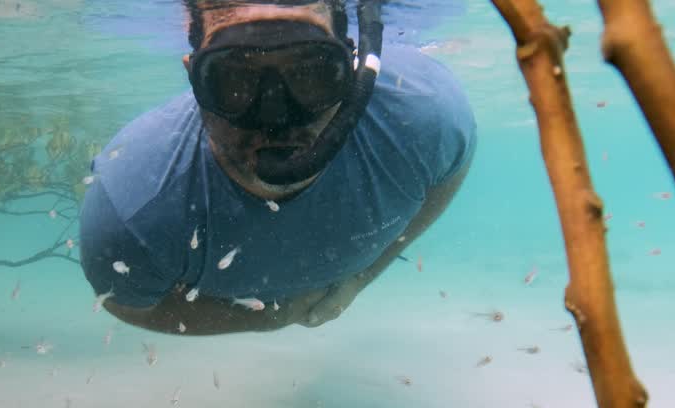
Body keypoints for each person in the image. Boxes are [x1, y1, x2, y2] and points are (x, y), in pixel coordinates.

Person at [79, 0, 475, 335]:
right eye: (234, 79)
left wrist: (363, 276)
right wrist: (270, 317)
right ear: (193, 78)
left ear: (352, 70)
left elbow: (453, 169)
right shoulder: (129, 212)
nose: (275, 115)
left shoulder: (424, 114)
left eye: (311, 74)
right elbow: (127, 304)